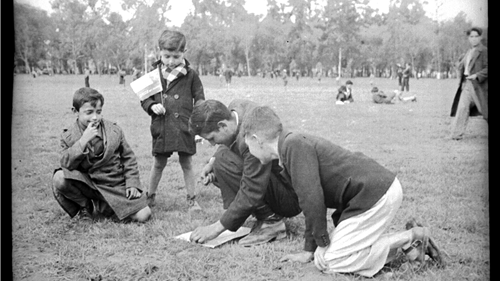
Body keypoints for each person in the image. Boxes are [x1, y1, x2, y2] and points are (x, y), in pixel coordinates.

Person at [241, 105, 444, 277]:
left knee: (330, 261)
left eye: (246, 144)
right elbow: (309, 201)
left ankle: (409, 237)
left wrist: (321, 244)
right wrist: (308, 250)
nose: (247, 151)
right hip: (371, 194)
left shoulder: (293, 145)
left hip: (374, 195)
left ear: (256, 138)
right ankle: (408, 244)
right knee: (333, 253)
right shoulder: (290, 145)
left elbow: (312, 199)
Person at [188, 99, 302, 246]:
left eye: (212, 138)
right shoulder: (235, 110)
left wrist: (215, 229)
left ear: (222, 125)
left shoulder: (252, 138)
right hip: (278, 185)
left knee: (223, 161)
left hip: (290, 197)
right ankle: (259, 215)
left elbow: (251, 189)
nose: (212, 144)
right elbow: (230, 143)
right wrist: (212, 163)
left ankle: (272, 223)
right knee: (220, 161)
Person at [51, 87, 151, 223]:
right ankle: (84, 206)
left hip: (114, 184)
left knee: (144, 215)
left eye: (98, 112)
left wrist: (132, 183)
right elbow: (66, 164)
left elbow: (128, 158)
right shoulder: (68, 136)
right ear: (75, 111)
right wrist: (82, 141)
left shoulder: (114, 130)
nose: (94, 117)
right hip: (89, 183)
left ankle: (105, 206)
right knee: (59, 178)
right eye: (89, 112)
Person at [140, 29, 205, 210]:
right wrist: (152, 106)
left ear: (184, 52)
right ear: (159, 51)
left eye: (176, 56)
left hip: (185, 126)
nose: (171, 61)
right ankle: (150, 197)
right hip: (162, 126)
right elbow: (145, 98)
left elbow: (200, 98)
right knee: (158, 163)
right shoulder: (154, 74)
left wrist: (198, 119)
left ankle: (192, 199)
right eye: (167, 56)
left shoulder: (191, 75)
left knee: (187, 163)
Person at [450, 27, 488, 140]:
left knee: (484, 110)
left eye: (476, 36)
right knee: (462, 108)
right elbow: (462, 66)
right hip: (467, 84)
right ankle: (456, 134)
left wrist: (477, 75)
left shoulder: (484, 51)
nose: (474, 39)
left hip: (478, 86)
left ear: (480, 37)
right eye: (471, 37)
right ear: (468, 38)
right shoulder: (469, 52)